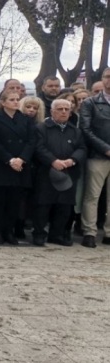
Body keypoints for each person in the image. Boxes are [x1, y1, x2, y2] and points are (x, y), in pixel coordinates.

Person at [32, 99, 87, 246]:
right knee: (43, 205)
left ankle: (56, 234)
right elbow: (39, 147)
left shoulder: (75, 131)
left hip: (69, 172)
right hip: (46, 171)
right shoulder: (41, 128)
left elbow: (82, 148)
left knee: (64, 206)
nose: (63, 112)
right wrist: (53, 161)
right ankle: (39, 234)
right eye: (60, 109)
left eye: (66, 109)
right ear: (52, 111)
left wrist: (73, 160)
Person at [0, 90, 35, 245]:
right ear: (3, 102)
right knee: (0, 201)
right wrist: (9, 159)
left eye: (17, 99)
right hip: (2, 165)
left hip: (20, 165)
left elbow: (31, 141)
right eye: (12, 99)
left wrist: (21, 159)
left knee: (15, 202)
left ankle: (10, 231)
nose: (16, 102)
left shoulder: (25, 119)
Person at [80, 67, 110, 248]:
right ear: (103, 79)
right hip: (98, 155)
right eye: (107, 77)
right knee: (92, 196)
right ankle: (89, 231)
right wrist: (106, 149)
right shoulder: (91, 102)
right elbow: (86, 129)